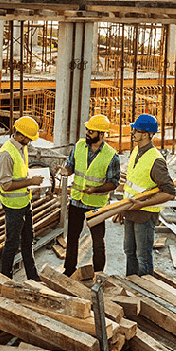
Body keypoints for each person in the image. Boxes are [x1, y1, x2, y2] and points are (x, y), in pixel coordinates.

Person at [58, 113, 120, 278]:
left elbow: (114, 182)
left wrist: (96, 189)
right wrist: (66, 171)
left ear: (101, 134)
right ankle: (69, 269)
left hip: (96, 204)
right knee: (72, 239)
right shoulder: (79, 146)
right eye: (87, 130)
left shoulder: (111, 156)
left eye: (91, 131)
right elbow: (70, 165)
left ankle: (99, 273)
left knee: (98, 242)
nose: (87, 133)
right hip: (77, 201)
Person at [117, 113, 176, 277]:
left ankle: (145, 291)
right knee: (129, 251)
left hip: (144, 214)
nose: (132, 132)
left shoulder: (156, 160)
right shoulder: (136, 150)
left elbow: (170, 192)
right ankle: (131, 283)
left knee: (143, 256)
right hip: (130, 210)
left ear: (145, 134)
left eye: (135, 130)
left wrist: (142, 204)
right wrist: (124, 209)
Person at [0, 115, 44, 279]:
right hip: (13, 206)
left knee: (28, 239)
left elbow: (20, 175)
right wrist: (31, 181)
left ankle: (32, 275)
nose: (30, 142)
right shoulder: (6, 155)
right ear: (21, 136)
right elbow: (6, 185)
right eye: (29, 138)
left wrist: (30, 184)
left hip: (24, 202)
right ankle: (5, 278)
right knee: (12, 243)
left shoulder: (20, 147)